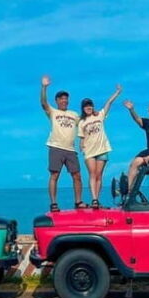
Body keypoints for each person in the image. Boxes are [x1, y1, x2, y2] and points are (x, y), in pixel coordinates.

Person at [40, 75, 85, 212]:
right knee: (54, 175)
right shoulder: (53, 111)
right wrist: (44, 87)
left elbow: (85, 121)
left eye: (66, 99)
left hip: (71, 149)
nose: (64, 101)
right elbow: (43, 103)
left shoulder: (74, 114)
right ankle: (53, 203)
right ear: (57, 101)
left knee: (77, 175)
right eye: (62, 99)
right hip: (56, 147)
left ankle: (78, 202)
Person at [77, 84, 122, 209]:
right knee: (92, 174)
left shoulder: (99, 115)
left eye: (90, 105)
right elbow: (81, 137)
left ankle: (97, 198)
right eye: (86, 106)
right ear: (83, 108)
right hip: (90, 150)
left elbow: (109, 103)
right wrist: (81, 145)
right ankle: (94, 199)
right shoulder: (81, 122)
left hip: (102, 149)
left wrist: (117, 93)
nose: (88, 107)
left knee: (99, 175)